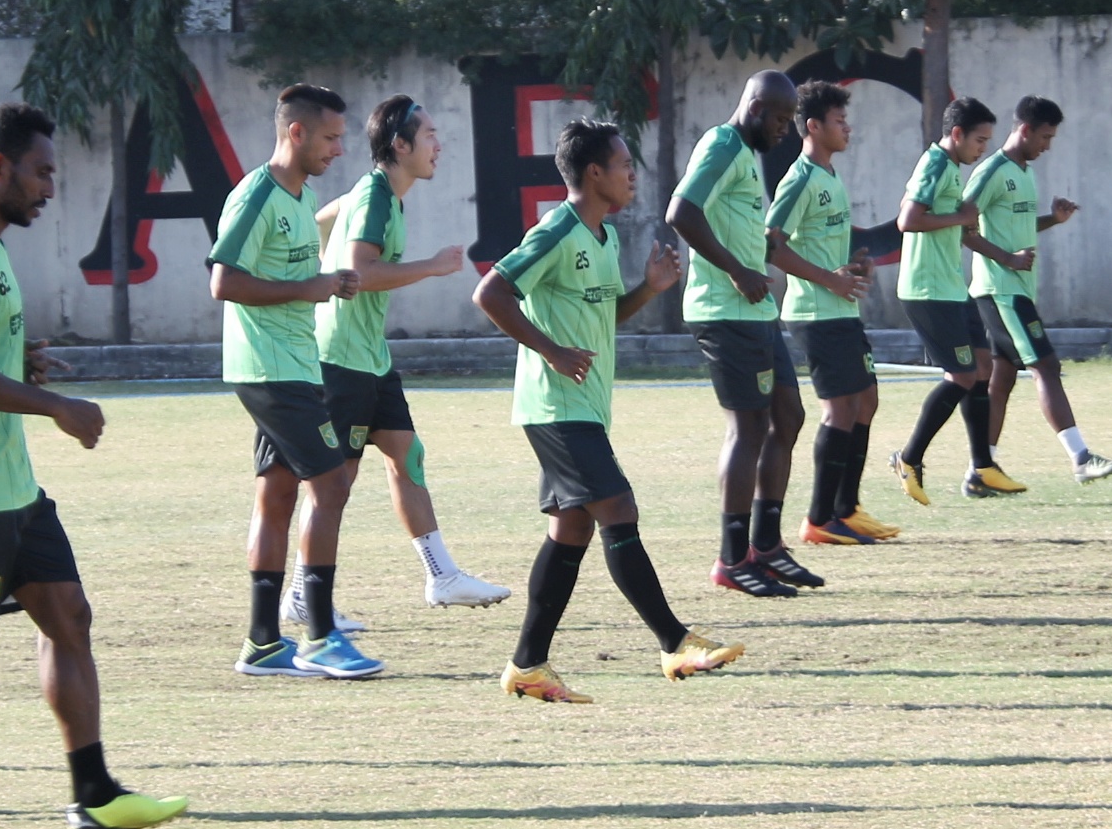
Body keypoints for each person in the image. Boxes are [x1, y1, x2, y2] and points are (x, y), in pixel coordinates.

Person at [0, 103, 185, 829]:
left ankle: (93, 793)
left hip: (9, 484)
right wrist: (52, 403)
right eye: (42, 171)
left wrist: (10, 363)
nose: (51, 186)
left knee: (68, 614)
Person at [473, 118, 743, 703]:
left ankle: (527, 666)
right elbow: (490, 293)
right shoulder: (556, 231)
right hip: (555, 404)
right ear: (593, 173)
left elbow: (600, 321)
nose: (632, 175)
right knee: (617, 507)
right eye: (624, 164)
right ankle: (674, 641)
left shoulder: (603, 237)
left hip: (583, 404)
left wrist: (647, 290)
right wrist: (550, 350)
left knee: (571, 529)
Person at [288, 93, 511, 626]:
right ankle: (302, 596)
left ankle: (442, 576)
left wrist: (317, 254)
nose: (439, 143)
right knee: (333, 485)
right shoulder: (378, 198)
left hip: (370, 358)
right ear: (400, 145)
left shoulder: (375, 194)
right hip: (341, 359)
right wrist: (431, 267)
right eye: (428, 135)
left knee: (407, 460)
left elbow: (322, 221)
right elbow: (359, 271)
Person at [211, 83, 381, 679]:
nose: (340, 148)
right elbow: (224, 282)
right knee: (331, 487)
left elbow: (290, 279)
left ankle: (262, 642)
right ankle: (321, 635)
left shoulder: (297, 198)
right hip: (270, 369)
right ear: (297, 132)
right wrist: (308, 288)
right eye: (332, 137)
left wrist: (330, 280)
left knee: (278, 493)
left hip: (293, 367)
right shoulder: (257, 196)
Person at [669, 70, 823, 597]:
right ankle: (732, 558)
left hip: (755, 312)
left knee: (789, 416)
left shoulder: (745, 155)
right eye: (782, 119)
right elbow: (680, 212)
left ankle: (767, 546)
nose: (786, 130)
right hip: (724, 309)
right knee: (749, 428)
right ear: (756, 109)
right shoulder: (722, 144)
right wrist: (737, 269)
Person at [960, 97, 1112, 483]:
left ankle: (980, 470)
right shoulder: (992, 171)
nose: (1047, 146)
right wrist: (1008, 259)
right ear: (1025, 130)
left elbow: (1015, 228)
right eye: (1045, 137)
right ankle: (1082, 459)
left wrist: (1054, 218)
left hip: (1014, 286)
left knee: (1001, 380)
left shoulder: (1025, 172)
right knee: (1045, 366)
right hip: (1000, 289)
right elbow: (963, 228)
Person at [766, 80, 896, 546]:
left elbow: (822, 247)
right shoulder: (800, 178)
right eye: (839, 121)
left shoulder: (830, 175)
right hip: (815, 312)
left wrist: (856, 264)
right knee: (839, 409)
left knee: (866, 402)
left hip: (839, 308)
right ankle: (819, 519)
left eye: (847, 120)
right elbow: (772, 247)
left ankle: (847, 508)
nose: (848, 128)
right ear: (814, 127)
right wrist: (831, 279)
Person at [890, 97, 1023, 503]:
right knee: (963, 376)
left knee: (983, 366)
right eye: (980, 140)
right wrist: (959, 217)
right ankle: (909, 458)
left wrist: (985, 239)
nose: (982, 148)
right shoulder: (935, 165)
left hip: (950, 286)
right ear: (958, 134)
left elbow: (959, 227)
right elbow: (908, 220)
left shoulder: (949, 168)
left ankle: (982, 468)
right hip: (927, 290)